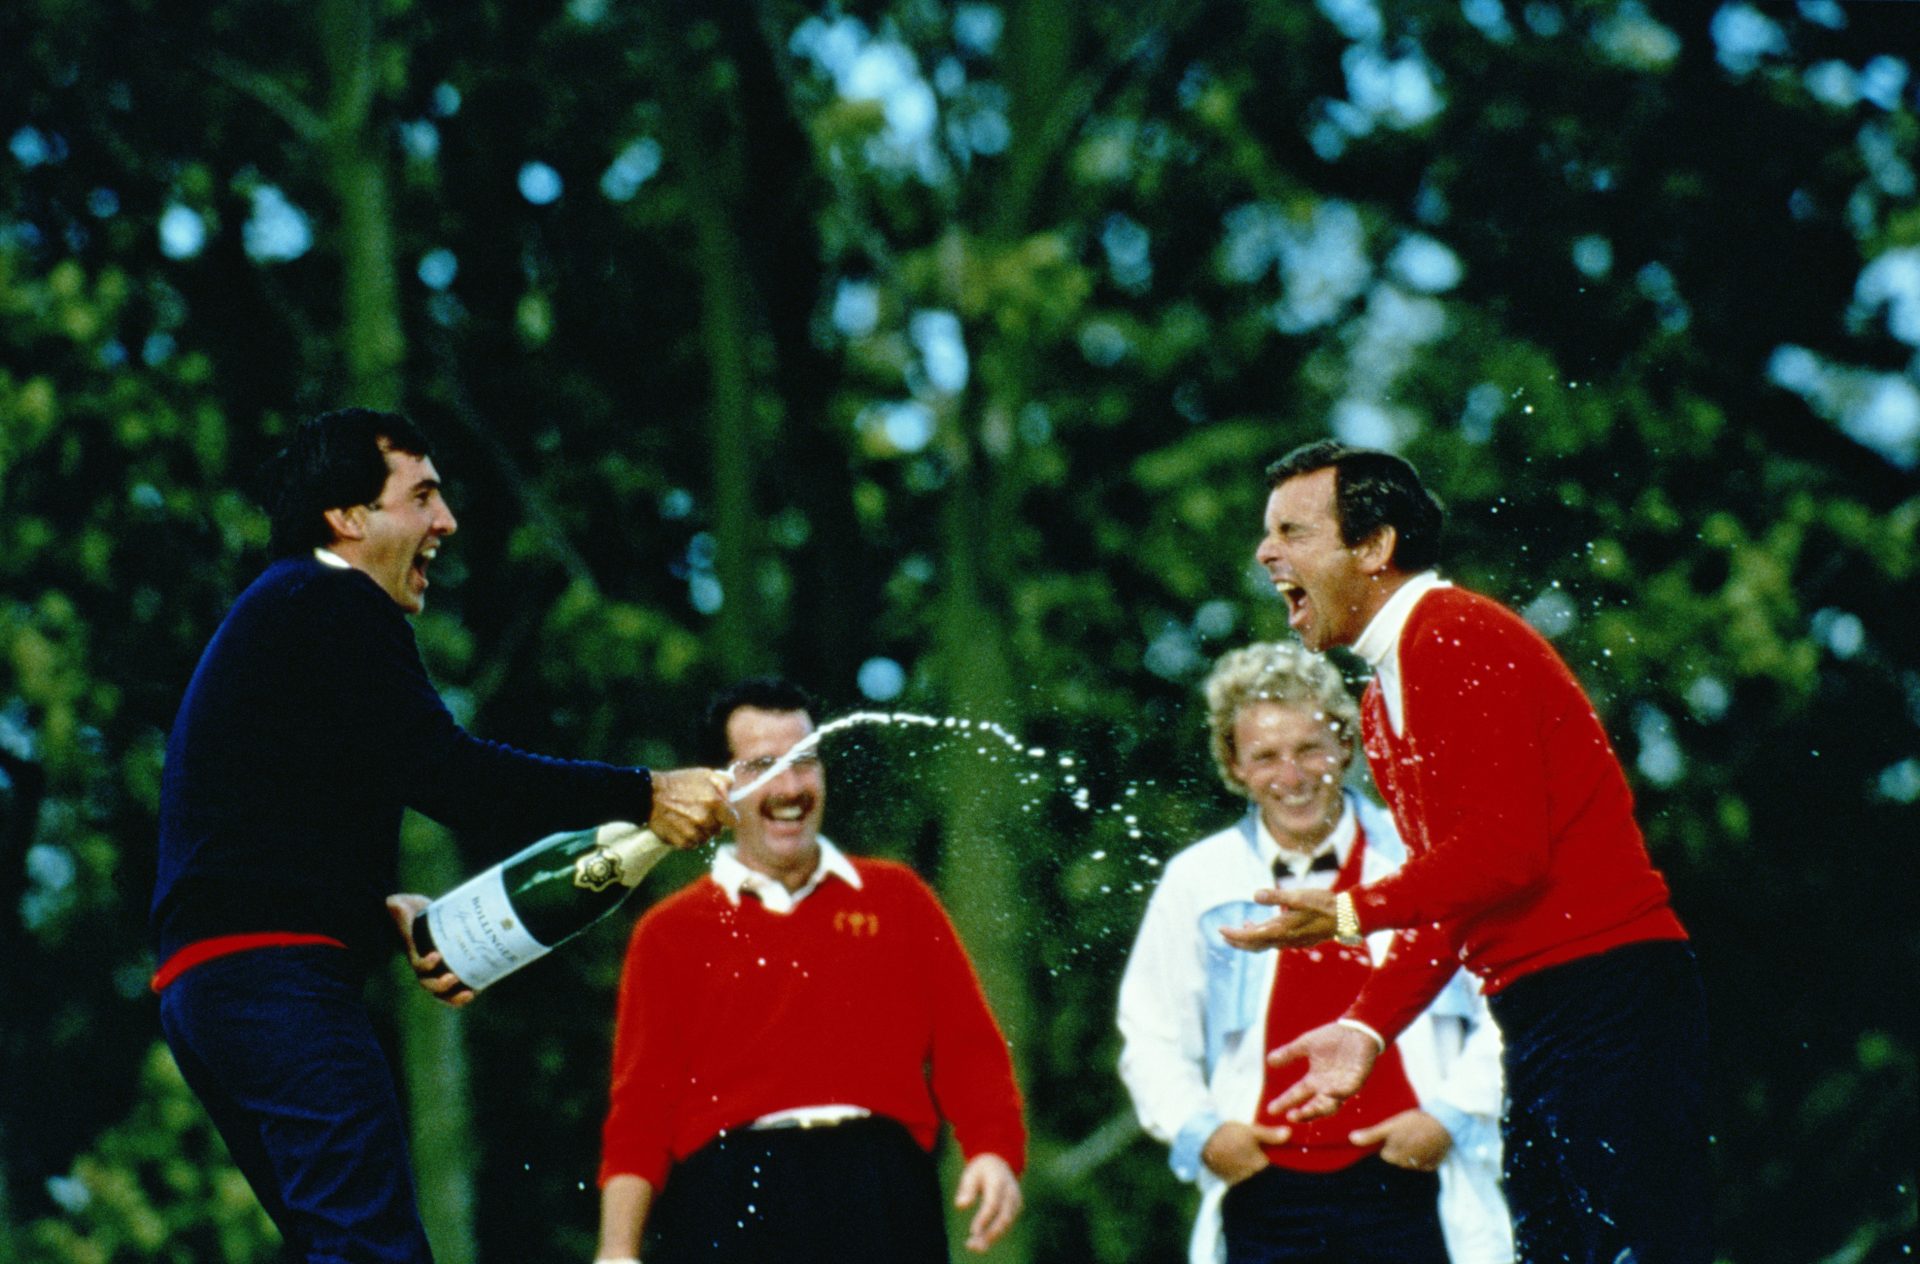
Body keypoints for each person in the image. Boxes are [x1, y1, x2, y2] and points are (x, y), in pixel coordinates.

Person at [151, 408, 735, 1264]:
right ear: (347, 518)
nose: (446, 523)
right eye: (421, 497)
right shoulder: (334, 597)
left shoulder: (285, 611)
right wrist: (646, 794)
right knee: (373, 1251)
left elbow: (261, 808)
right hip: (273, 983)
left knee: (340, 1244)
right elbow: (454, 777)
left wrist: (365, 912)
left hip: (211, 986)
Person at [1220, 440, 1710, 1263]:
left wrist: (1349, 910)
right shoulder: (1380, 706)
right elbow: (1459, 893)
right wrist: (1367, 1028)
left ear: (1374, 547)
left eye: (1293, 532)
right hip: (1543, 1013)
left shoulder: (1456, 636)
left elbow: (1507, 853)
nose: (1267, 552)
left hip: (1610, 993)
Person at [594, 677, 1026, 1264]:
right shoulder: (669, 933)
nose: (791, 787)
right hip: (730, 1198)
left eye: (806, 762)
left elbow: (967, 1048)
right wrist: (617, 1251)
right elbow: (641, 1111)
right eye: (763, 766)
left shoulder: (898, 899)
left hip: (881, 1193)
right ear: (719, 788)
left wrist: (994, 1150)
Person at [1118, 642, 1512, 1264]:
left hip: (1413, 1176)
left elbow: (1506, 1002)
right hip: (1263, 1192)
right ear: (1234, 764)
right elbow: (1152, 1032)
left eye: (1309, 750)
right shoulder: (1199, 880)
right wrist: (1205, 1134)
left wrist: (1450, 1116)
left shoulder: (1423, 858)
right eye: (1266, 756)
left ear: (1347, 746)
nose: (1293, 777)